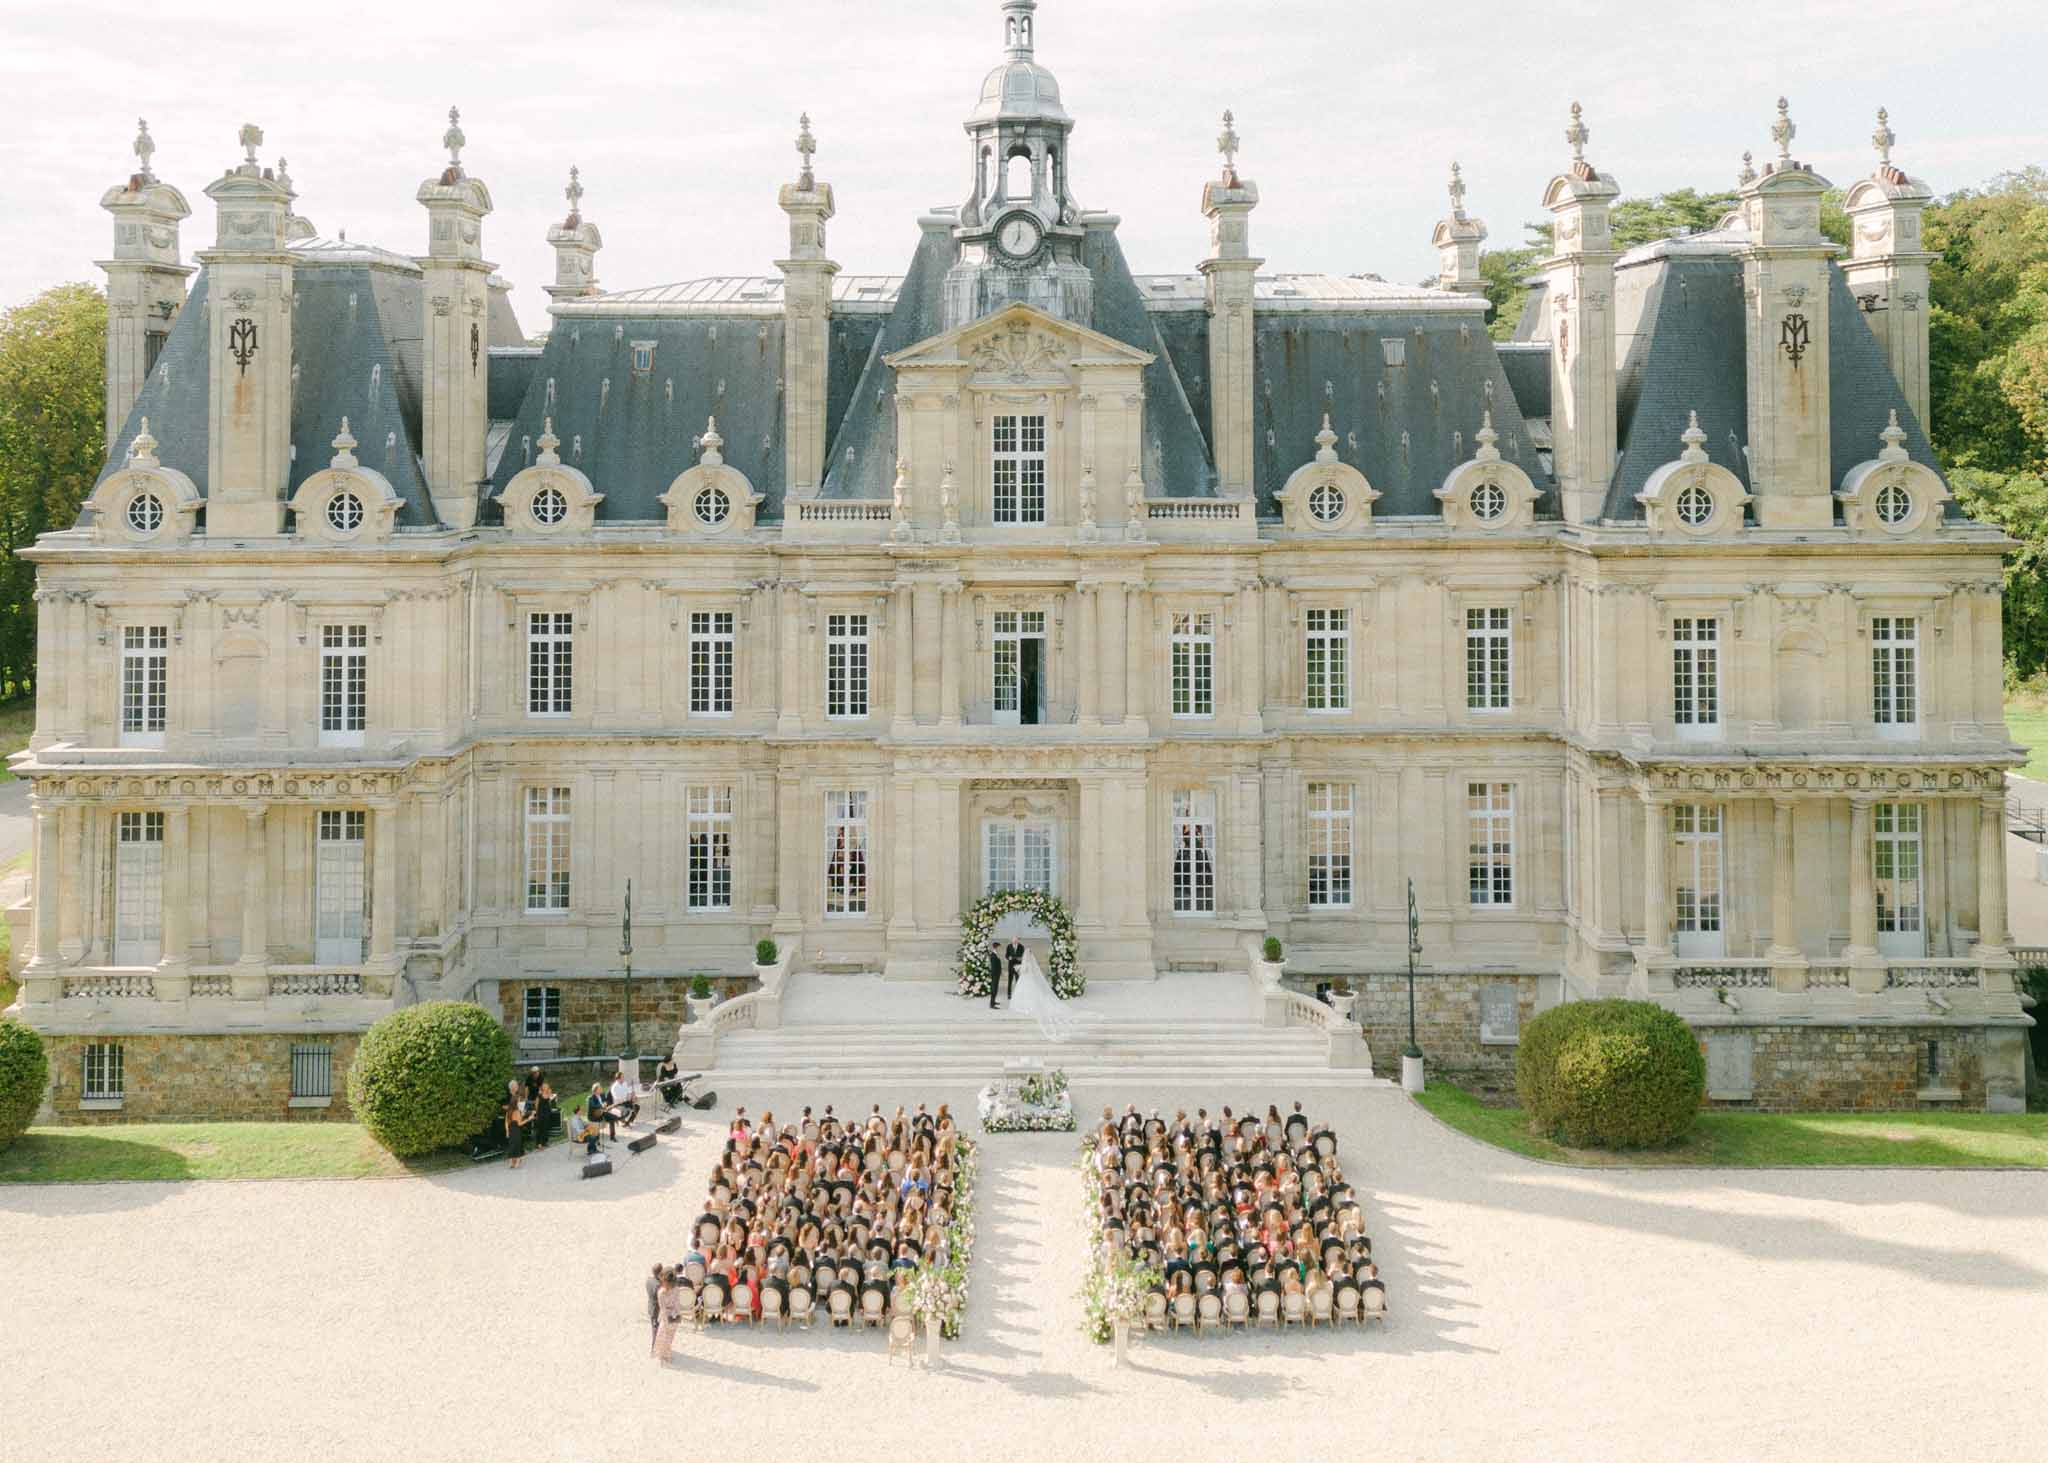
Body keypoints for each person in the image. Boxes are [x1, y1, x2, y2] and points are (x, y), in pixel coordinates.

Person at [1010, 947, 1088, 1042]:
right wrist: (1020, 967)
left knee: (1026, 993)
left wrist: (1018, 968)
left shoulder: (1027, 962)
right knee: (1029, 993)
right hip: (1028, 980)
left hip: (1026, 980)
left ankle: (1026, 1005)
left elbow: (1025, 970)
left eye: (1025, 955)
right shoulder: (1029, 962)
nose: (1025, 956)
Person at [504, 1083, 528, 1169]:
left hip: (510, 1130)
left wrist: (507, 1131)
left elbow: (506, 1122)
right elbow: (520, 1123)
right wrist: (529, 1119)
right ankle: (517, 1162)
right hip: (517, 1130)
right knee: (517, 1145)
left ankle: (512, 1162)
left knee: (512, 1145)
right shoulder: (516, 1111)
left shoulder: (509, 1111)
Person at [646, 1262, 665, 1356]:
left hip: (651, 1306)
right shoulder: (658, 1285)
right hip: (656, 1310)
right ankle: (654, 1349)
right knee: (656, 1330)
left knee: (655, 1328)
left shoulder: (649, 1280)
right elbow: (661, 1298)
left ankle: (657, 1347)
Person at [984, 940, 1006, 1010]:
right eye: (999, 947)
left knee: (996, 988)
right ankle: (991, 1004)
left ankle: (993, 1001)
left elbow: (998, 965)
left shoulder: (995, 954)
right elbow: (993, 967)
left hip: (997, 974)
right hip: (995, 974)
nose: (1000, 949)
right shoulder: (993, 955)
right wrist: (994, 974)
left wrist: (1001, 972)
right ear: (996, 947)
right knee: (994, 989)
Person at [1003, 935, 1025, 1001]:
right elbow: (1006, 955)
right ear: (1012, 940)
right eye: (1014, 940)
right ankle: (1009, 995)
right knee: (1010, 981)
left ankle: (1018, 994)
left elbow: (1023, 956)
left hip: (1018, 967)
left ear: (1018, 940)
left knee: (1018, 981)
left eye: (1016, 940)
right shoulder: (1009, 946)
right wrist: (1008, 958)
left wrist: (1020, 959)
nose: (1015, 941)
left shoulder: (1021, 946)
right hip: (1011, 966)